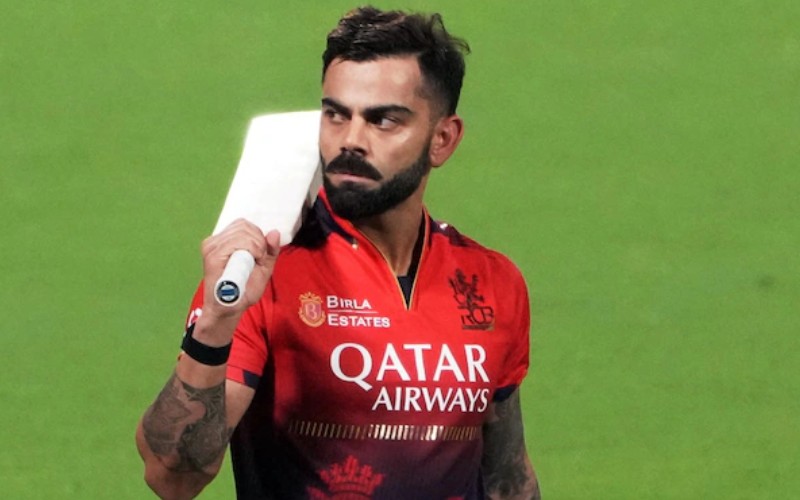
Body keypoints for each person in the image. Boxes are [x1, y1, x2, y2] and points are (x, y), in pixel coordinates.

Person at [136, 6, 540, 499]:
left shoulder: (490, 282)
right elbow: (172, 478)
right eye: (335, 114)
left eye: (383, 120)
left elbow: (507, 479)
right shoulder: (264, 275)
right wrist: (215, 324)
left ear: (442, 139)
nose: (350, 140)